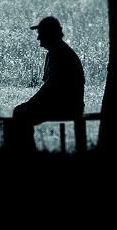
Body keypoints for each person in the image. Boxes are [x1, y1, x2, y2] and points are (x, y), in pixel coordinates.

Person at [6, 16, 85, 151]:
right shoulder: (53, 54)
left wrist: (31, 104)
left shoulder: (62, 56)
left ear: (50, 34)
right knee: (20, 112)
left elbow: (52, 89)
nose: (38, 38)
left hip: (68, 106)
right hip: (60, 103)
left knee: (21, 113)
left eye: (41, 34)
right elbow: (49, 88)